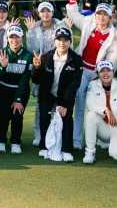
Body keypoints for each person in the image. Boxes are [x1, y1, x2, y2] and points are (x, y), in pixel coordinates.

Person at [66, 0, 117, 149]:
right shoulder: (88, 23)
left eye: (104, 15)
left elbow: (112, 61)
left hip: (98, 75)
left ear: (109, 17)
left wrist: (104, 78)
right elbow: (73, 15)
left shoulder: (113, 37)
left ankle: (103, 138)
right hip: (82, 70)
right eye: (99, 13)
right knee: (80, 106)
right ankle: (77, 141)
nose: (101, 17)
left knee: (102, 107)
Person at [31, 27, 82, 162]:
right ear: (54, 41)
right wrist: (36, 68)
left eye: (65, 40)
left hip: (64, 95)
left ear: (70, 42)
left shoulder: (76, 60)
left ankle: (66, 149)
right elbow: (36, 80)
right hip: (47, 94)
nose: (62, 43)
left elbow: (74, 85)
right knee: (44, 117)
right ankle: (45, 146)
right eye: (59, 40)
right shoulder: (47, 57)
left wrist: (64, 104)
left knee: (66, 119)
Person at [24, 2, 72, 147]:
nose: (45, 13)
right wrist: (31, 32)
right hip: (42, 69)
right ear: (38, 13)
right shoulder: (35, 27)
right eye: (42, 11)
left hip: (59, 69)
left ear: (53, 12)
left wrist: (68, 29)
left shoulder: (61, 26)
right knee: (41, 107)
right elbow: (32, 49)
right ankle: (39, 136)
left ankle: (59, 137)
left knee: (60, 107)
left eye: (48, 11)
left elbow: (70, 48)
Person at [83, 60, 117, 164]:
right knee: (91, 115)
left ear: (113, 72)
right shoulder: (92, 85)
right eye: (102, 71)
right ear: (98, 74)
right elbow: (90, 104)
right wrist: (106, 110)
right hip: (104, 128)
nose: (105, 73)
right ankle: (90, 152)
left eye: (108, 70)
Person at [0, 23, 33, 154]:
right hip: (3, 90)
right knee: (2, 116)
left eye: (17, 37)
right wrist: (3, 66)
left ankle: (15, 142)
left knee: (17, 116)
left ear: (22, 38)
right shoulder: (1, 53)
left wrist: (18, 99)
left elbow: (25, 79)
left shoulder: (28, 55)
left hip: (20, 90)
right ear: (7, 39)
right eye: (12, 37)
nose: (14, 40)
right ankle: (0, 140)